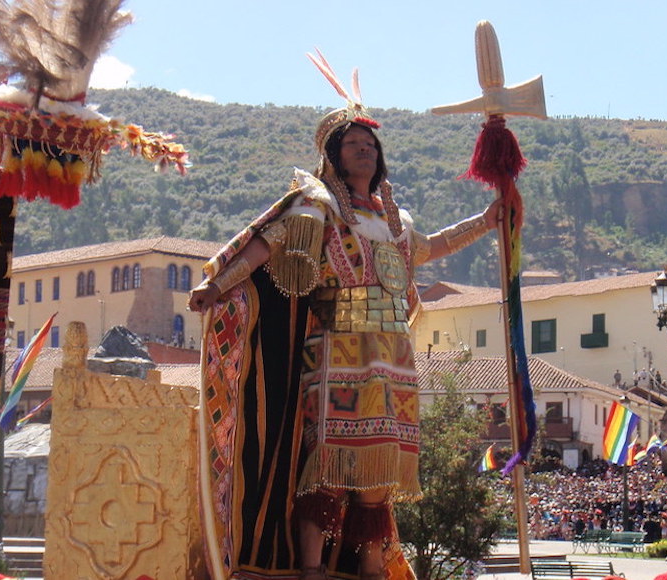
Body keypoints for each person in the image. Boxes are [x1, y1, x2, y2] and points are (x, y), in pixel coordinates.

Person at [190, 88, 501, 580]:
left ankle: (372, 569)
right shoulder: (317, 205)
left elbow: (434, 245)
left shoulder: (395, 220)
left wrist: (487, 221)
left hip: (394, 352)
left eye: (370, 145)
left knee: (380, 475)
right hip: (338, 348)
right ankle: (312, 569)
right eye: (354, 143)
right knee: (330, 465)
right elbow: (268, 243)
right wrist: (219, 281)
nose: (365, 150)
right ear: (333, 154)